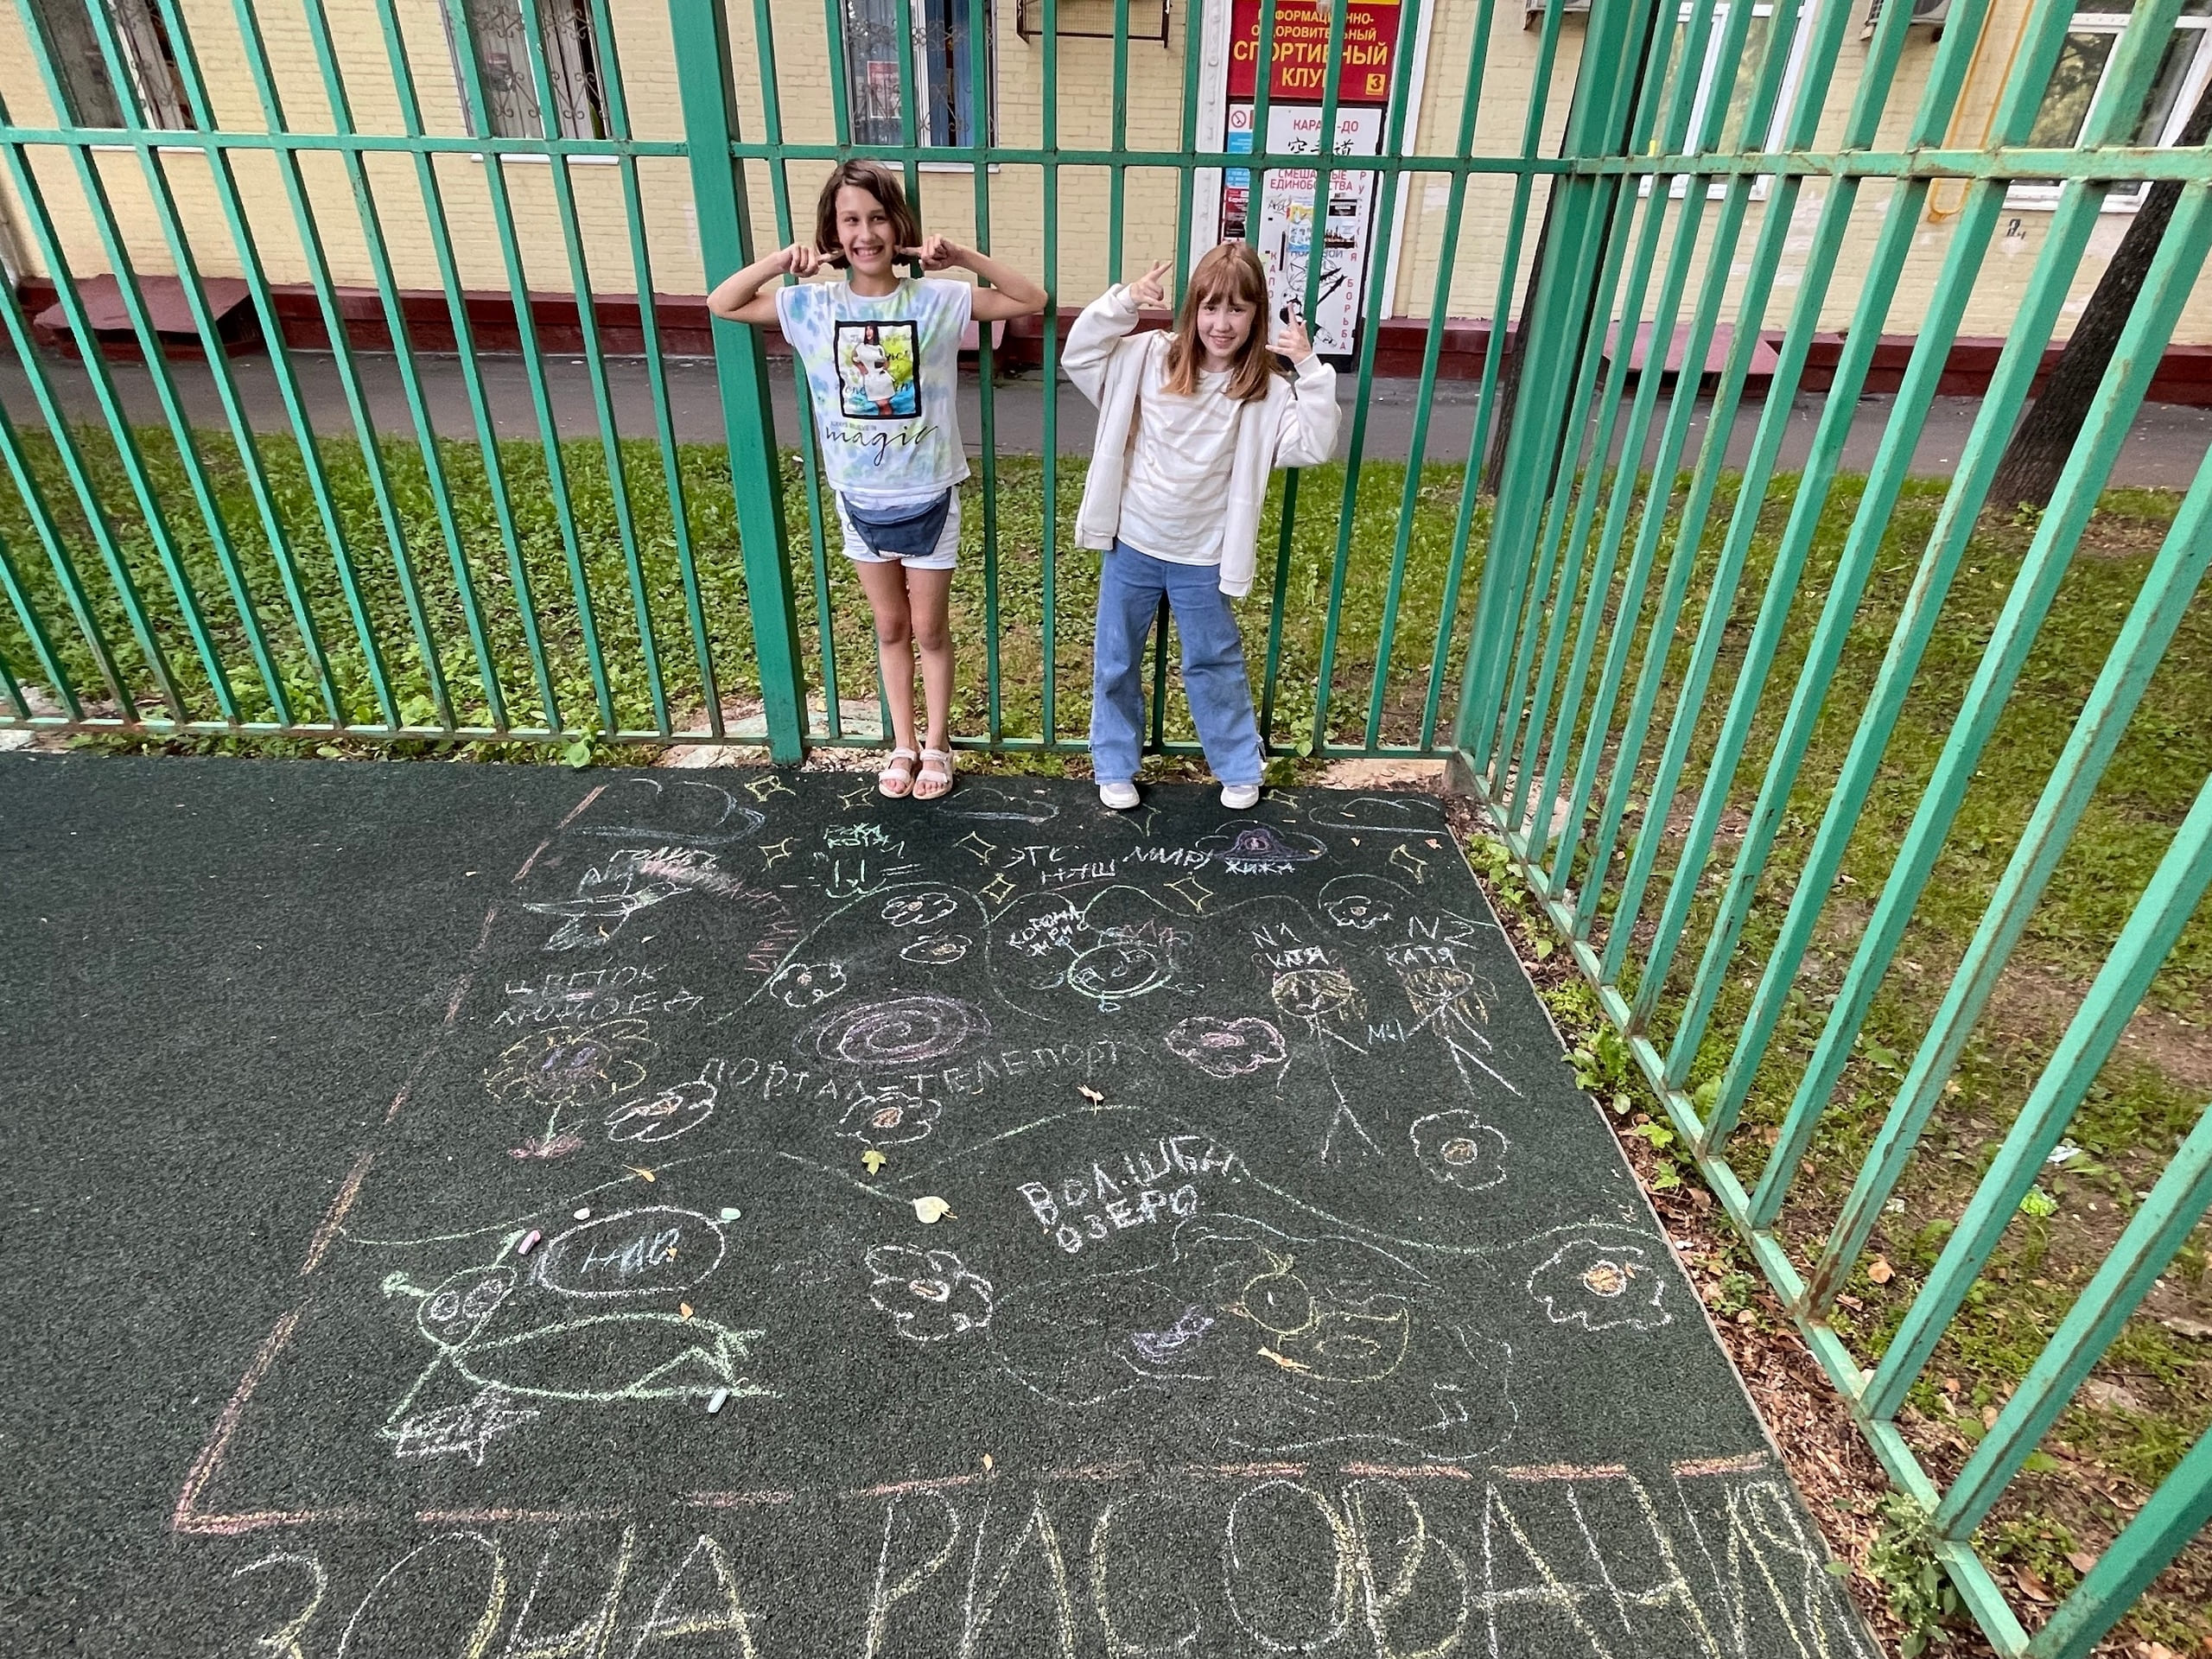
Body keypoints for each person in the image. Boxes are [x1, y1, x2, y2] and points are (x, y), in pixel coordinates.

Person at [709, 160, 1047, 800]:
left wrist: (961, 255)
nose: (866, 233)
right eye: (850, 220)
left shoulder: (938, 300)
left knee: (930, 630)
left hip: (930, 493)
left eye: (877, 218)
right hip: (858, 498)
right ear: (833, 233)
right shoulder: (809, 306)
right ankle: (903, 743)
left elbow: (1031, 299)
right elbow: (721, 303)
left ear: (899, 227)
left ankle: (940, 744)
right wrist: (781, 261)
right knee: (890, 627)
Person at [1064, 242, 1339, 811]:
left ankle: (1239, 767)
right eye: (1211, 307)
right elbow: (1081, 355)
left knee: (1214, 661)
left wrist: (1307, 367)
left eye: (1237, 309)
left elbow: (1314, 444)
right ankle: (1114, 763)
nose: (1222, 323)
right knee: (1116, 658)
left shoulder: (1264, 391)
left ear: (1257, 316)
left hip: (1204, 553)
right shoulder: (1146, 357)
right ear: (1192, 309)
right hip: (1133, 540)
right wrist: (1123, 303)